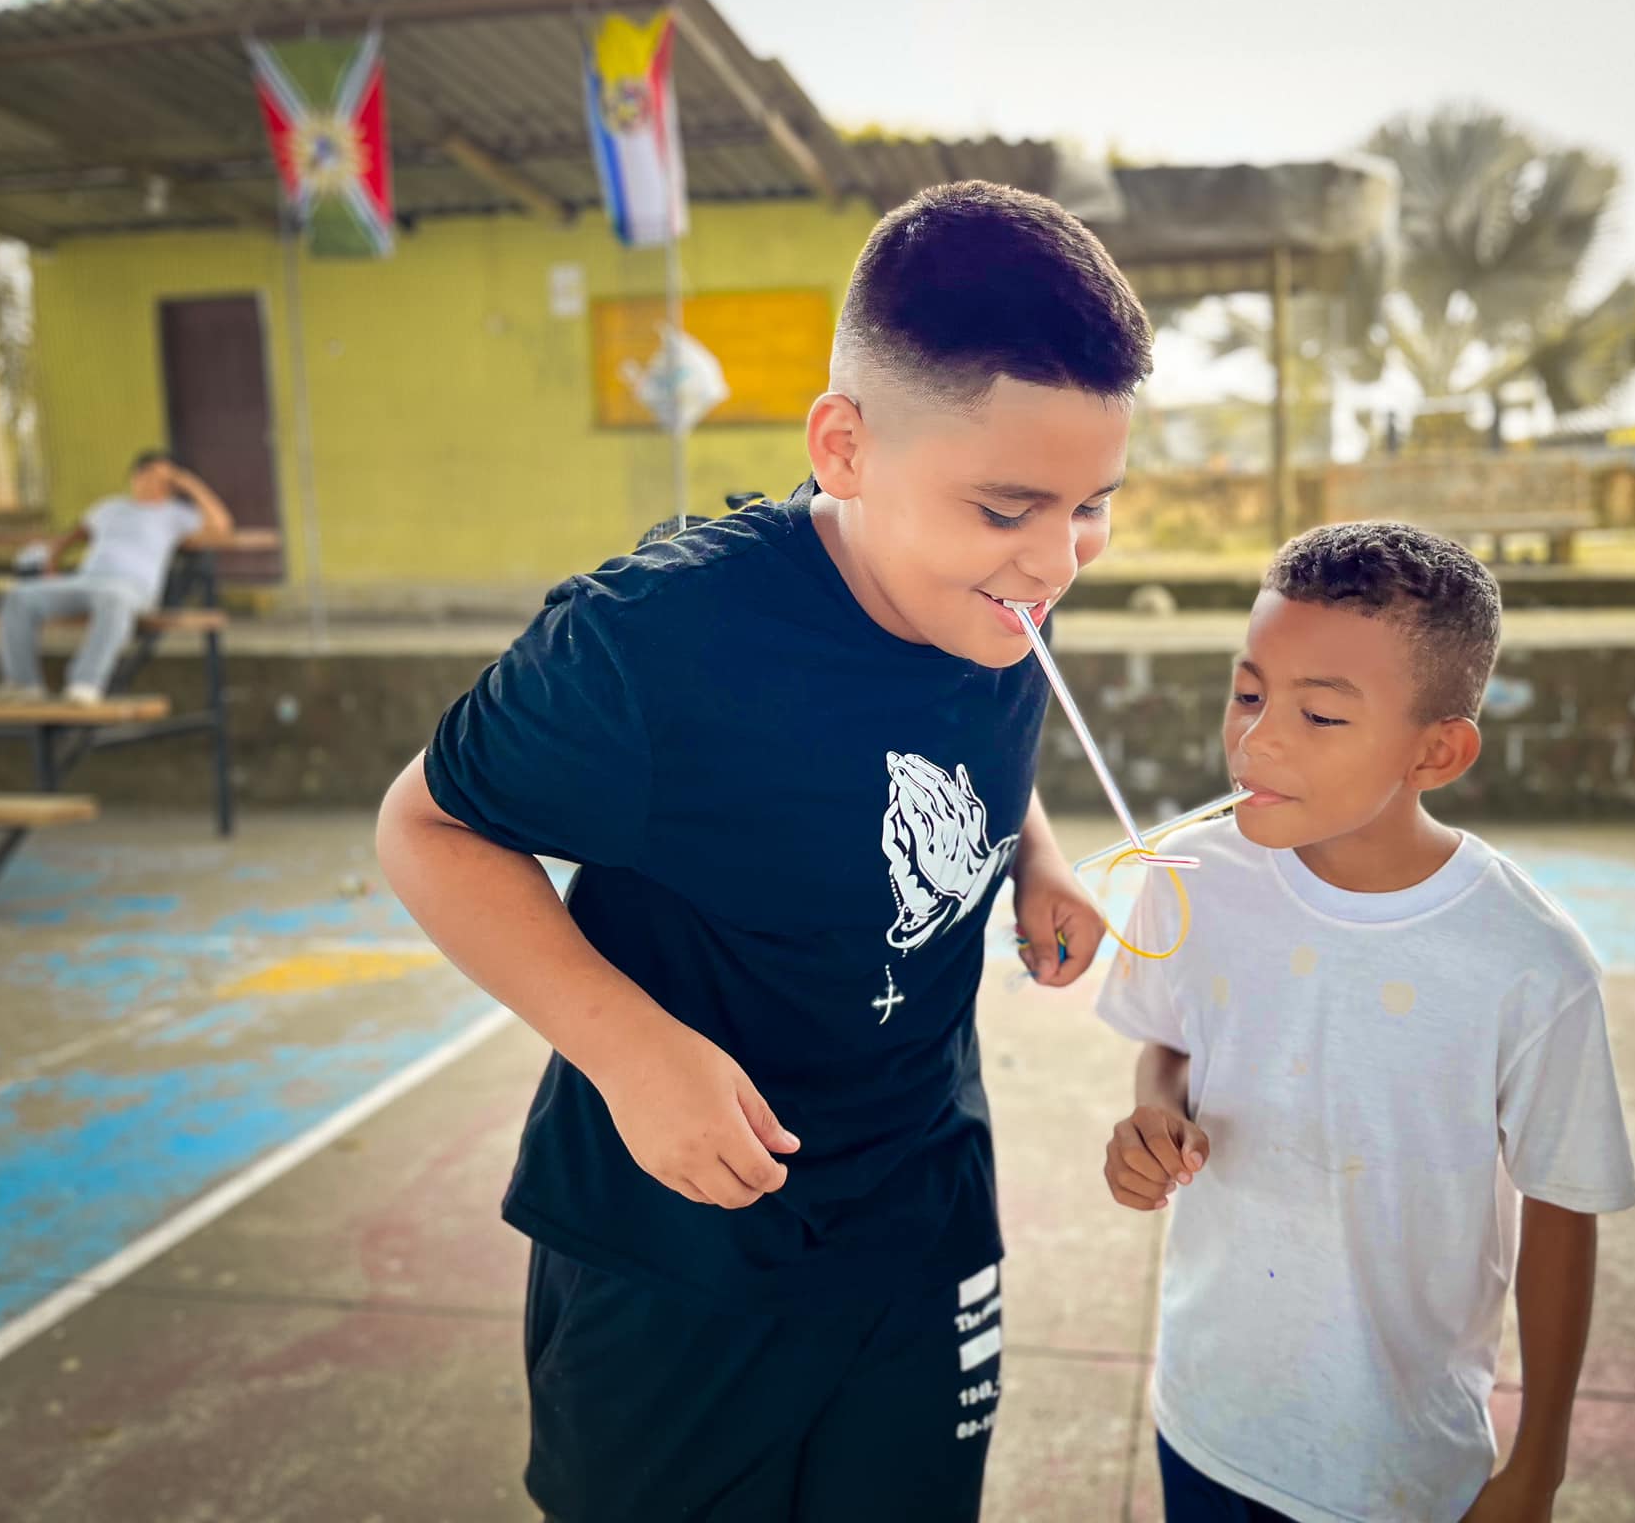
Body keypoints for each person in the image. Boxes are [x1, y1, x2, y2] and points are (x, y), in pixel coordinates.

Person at [374, 181, 1155, 1523]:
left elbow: (960, 737)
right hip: (680, 1250)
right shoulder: (654, 646)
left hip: (921, 1219)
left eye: (1095, 506)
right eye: (1009, 509)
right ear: (843, 447)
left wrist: (1032, 854)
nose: (1057, 563)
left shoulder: (995, 590)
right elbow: (426, 827)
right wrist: (632, 1051)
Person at [1096, 522, 1635, 1523]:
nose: (1257, 740)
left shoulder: (1530, 963)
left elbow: (1562, 1209)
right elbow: (1168, 1041)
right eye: (1248, 694)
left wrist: (1538, 1467)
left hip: (1396, 1462)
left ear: (1437, 751)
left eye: (1319, 715)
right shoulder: (1192, 877)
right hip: (1205, 1416)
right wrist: (1154, 1116)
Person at [0, 450, 233, 705]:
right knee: (18, 596)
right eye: (148, 475)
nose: (154, 482)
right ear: (135, 477)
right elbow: (74, 534)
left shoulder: (175, 514)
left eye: (163, 477)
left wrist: (189, 483)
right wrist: (51, 562)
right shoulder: (110, 507)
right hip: (86, 580)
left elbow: (222, 527)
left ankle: (85, 684)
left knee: (113, 599)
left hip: (132, 587)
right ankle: (22, 685)